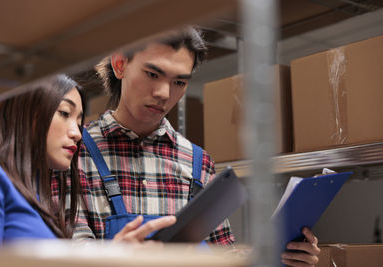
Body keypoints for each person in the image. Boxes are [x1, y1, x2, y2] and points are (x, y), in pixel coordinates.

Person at [62, 26, 319, 265]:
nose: (164, 93)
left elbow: (220, 251)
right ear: (120, 64)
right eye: (153, 74)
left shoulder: (197, 162)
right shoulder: (73, 150)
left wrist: (278, 257)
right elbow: (66, 252)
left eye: (179, 82)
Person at [0, 74, 175, 247]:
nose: (77, 133)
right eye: (65, 113)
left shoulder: (38, 197)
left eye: (78, 122)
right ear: (24, 112)